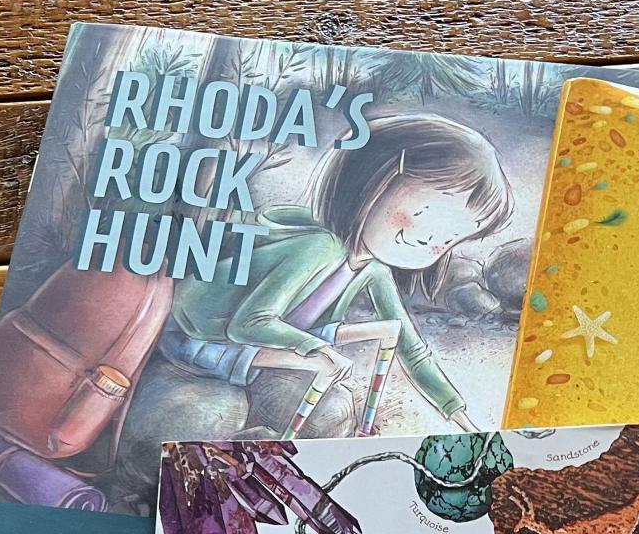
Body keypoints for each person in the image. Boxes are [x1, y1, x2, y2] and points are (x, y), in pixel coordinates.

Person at [160, 113, 512, 437]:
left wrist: (461, 416)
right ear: (374, 179)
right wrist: (317, 350)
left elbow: (412, 350)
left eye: (451, 237)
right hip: (204, 339)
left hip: (275, 336)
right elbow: (247, 324)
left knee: (387, 331)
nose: (431, 241)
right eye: (424, 212)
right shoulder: (320, 246)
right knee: (325, 367)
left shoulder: (371, 268)